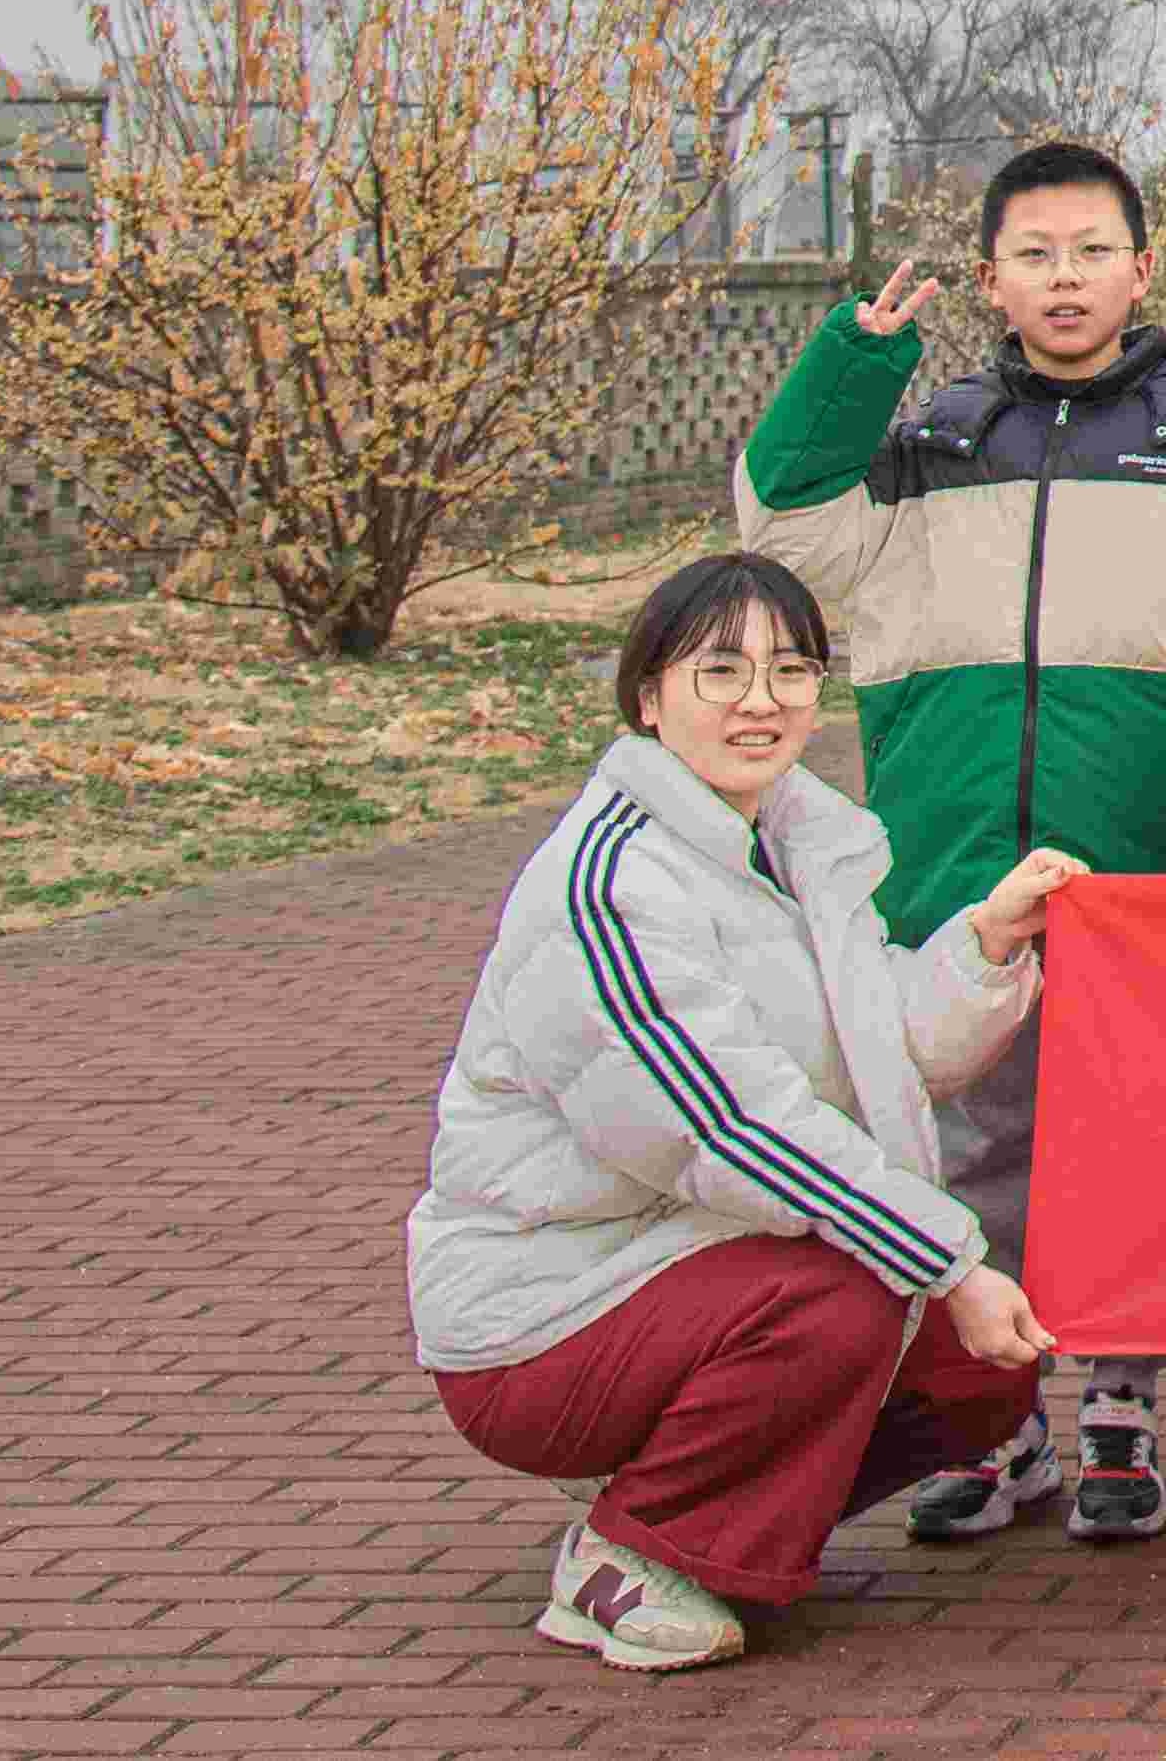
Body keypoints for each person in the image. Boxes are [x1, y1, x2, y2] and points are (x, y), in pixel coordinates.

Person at [734, 139, 1166, 1549]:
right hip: (958, 861)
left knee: (1129, 1145)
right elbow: (782, 527)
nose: (1064, 277)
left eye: (1090, 249)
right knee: (969, 1147)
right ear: (990, 279)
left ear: (1140, 266)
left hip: (1138, 870)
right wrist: (850, 365)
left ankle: (1118, 1404)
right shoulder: (927, 442)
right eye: (1033, 254)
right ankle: (994, 1418)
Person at [413, 558, 1081, 1674]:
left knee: (980, 1375)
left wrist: (988, 944)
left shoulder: (797, 845)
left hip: (693, 1266)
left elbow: (893, 1053)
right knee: (852, 1298)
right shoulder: (611, 883)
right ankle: (633, 1555)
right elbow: (733, 1133)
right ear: (647, 697)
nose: (760, 701)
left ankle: (717, 1507)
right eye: (719, 670)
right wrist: (954, 1267)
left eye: (791, 671)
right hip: (545, 1309)